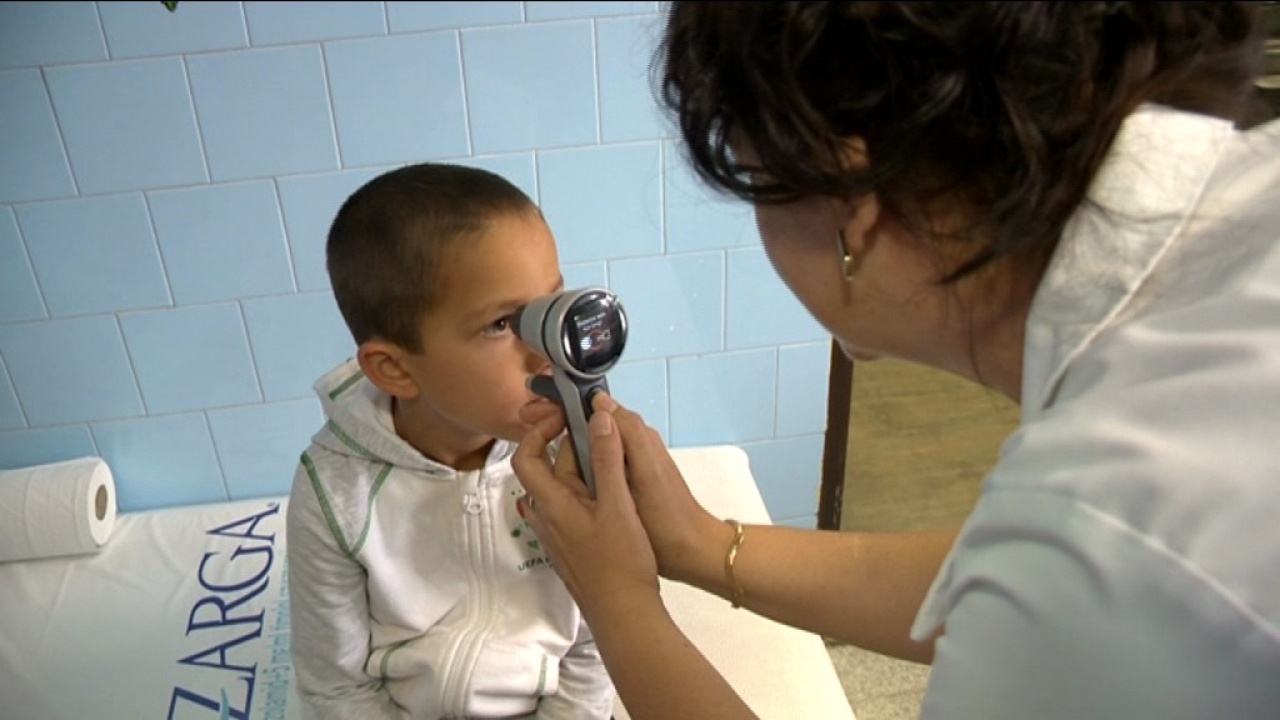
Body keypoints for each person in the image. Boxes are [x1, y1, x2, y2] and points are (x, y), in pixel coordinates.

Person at [510, 3, 1280, 719]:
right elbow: (1002, 582)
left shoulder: (1114, 520)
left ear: (851, 205)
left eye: (754, 186)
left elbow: (1078, 575)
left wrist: (622, 610)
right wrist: (705, 546)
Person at [286, 162, 616, 720]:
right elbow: (335, 686)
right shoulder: (334, 491)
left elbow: (601, 642)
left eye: (549, 307)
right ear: (394, 369)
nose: (548, 353)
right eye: (502, 325)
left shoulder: (575, 458)